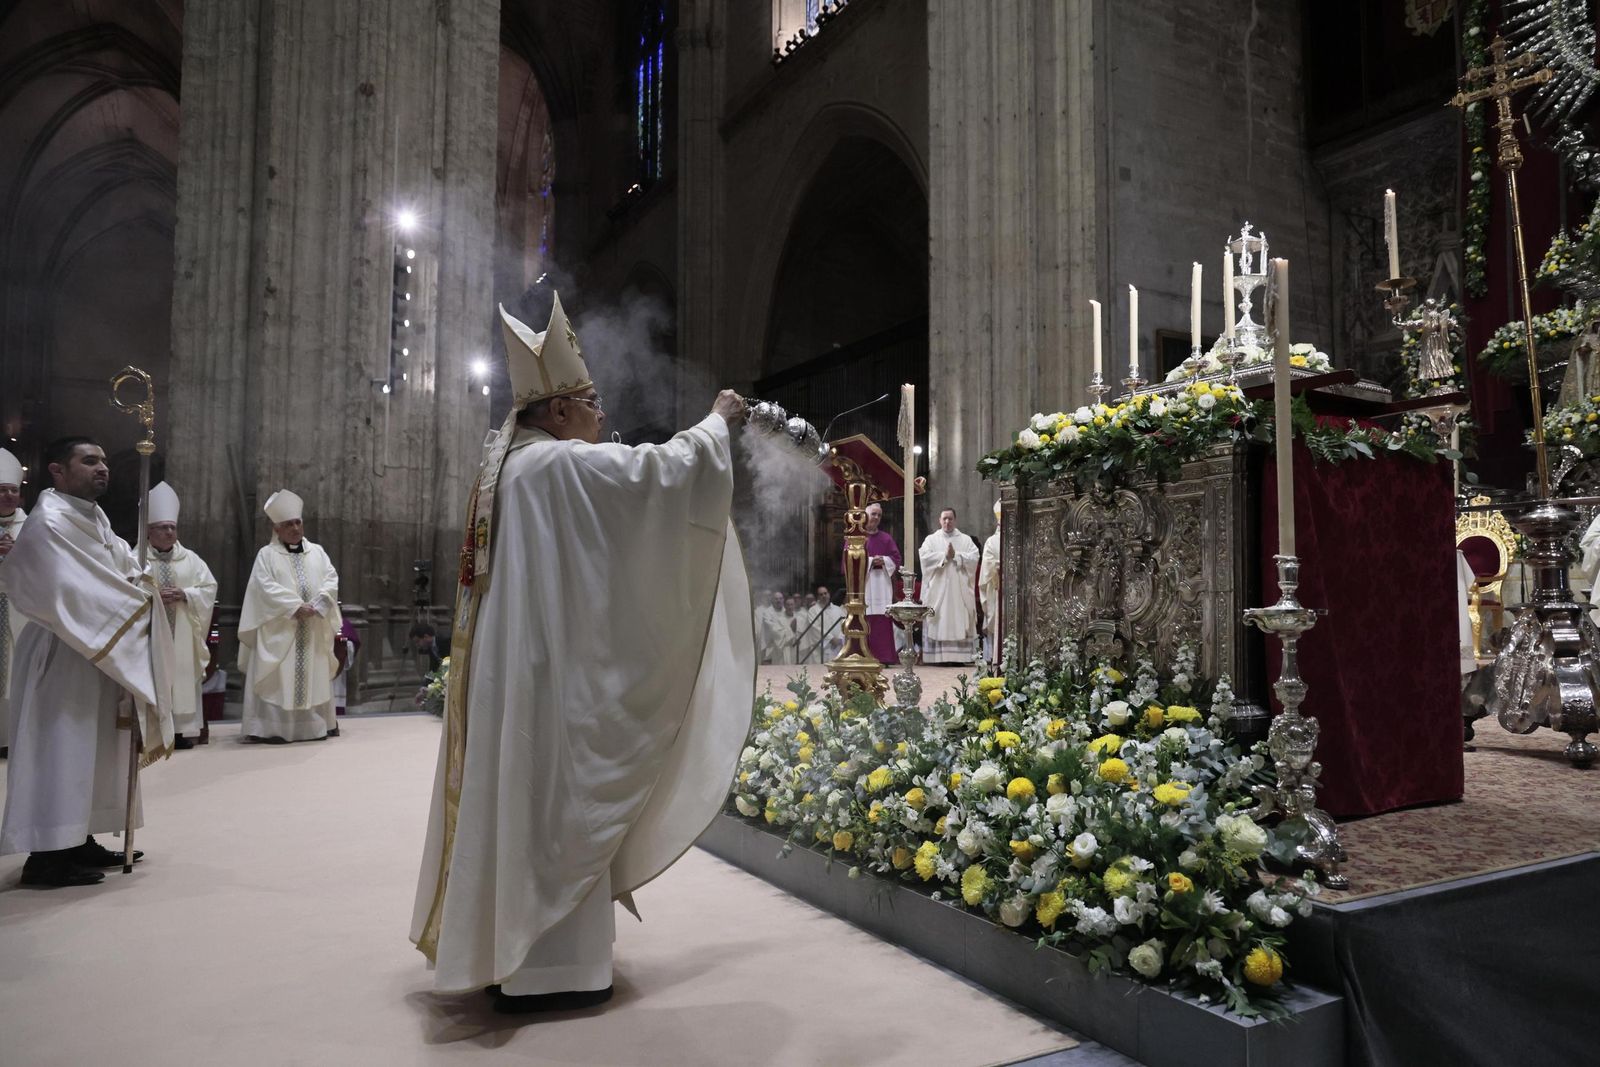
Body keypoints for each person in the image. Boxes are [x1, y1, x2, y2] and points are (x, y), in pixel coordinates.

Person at [411, 295, 755, 1014]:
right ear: (559, 411)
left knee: (522, 802)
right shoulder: (552, 469)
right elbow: (651, 478)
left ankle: (510, 953)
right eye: (592, 404)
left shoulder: (507, 469)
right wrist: (715, 426)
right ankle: (550, 967)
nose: (603, 418)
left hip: (525, 675)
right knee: (554, 803)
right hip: (550, 684)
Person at [0, 436, 173, 887]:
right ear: (58, 471)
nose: (102, 468)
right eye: (88, 460)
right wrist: (136, 601)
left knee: (94, 746)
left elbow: (123, 569)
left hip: (97, 650)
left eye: (103, 461)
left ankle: (80, 837)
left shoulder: (94, 517)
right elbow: (73, 587)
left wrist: (141, 584)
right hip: (63, 652)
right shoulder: (49, 523)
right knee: (60, 746)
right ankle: (46, 855)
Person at [238, 490, 342, 743]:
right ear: (277, 529)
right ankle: (272, 728)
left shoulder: (317, 552)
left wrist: (318, 604)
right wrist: (294, 606)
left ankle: (315, 726)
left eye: (298, 522)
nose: (295, 528)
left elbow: (331, 579)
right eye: (288, 524)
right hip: (280, 629)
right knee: (278, 679)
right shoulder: (266, 555)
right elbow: (263, 586)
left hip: (312, 627)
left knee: (313, 674)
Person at [143, 483, 218, 751]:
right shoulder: (136, 558)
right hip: (151, 635)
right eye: (163, 527)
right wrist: (151, 598)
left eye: (172, 527)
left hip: (184, 634)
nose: (169, 532)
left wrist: (186, 594)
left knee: (184, 676)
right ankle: (152, 732)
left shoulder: (191, 560)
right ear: (149, 531)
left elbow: (209, 588)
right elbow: (123, 590)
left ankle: (184, 731)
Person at [918, 507, 980, 664]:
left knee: (959, 616)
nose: (947, 521)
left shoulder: (965, 540)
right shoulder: (931, 540)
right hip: (939, 590)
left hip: (959, 591)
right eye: (944, 518)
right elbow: (925, 558)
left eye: (950, 518)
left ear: (955, 520)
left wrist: (957, 556)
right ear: (939, 521)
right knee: (939, 618)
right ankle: (939, 658)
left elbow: (974, 557)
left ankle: (960, 657)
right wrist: (944, 557)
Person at [0, 447, 26, 759]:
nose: (8, 496)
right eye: (2, 490)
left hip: (21, 610)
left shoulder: (34, 528)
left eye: (12, 491)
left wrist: (20, 552)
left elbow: (51, 566)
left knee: (17, 673)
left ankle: (14, 739)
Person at [855, 501, 901, 665]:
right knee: (864, 620)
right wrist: (869, 562)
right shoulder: (857, 537)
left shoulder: (886, 538)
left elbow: (896, 559)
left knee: (882, 621)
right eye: (873, 514)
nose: (876, 517)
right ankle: (864, 656)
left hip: (882, 584)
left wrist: (885, 560)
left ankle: (884, 657)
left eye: (879, 515)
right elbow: (849, 559)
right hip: (864, 585)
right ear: (865, 515)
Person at [978, 500, 1002, 664]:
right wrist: (998, 568)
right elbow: (987, 565)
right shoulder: (992, 541)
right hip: (998, 588)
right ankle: (997, 658)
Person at [800, 585, 845, 664]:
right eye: (821, 594)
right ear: (818, 597)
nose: (824, 596)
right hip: (821, 649)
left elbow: (844, 624)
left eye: (825, 593)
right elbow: (815, 628)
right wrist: (831, 639)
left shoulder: (838, 609)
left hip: (838, 647)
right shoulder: (813, 610)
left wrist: (840, 638)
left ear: (829, 594)